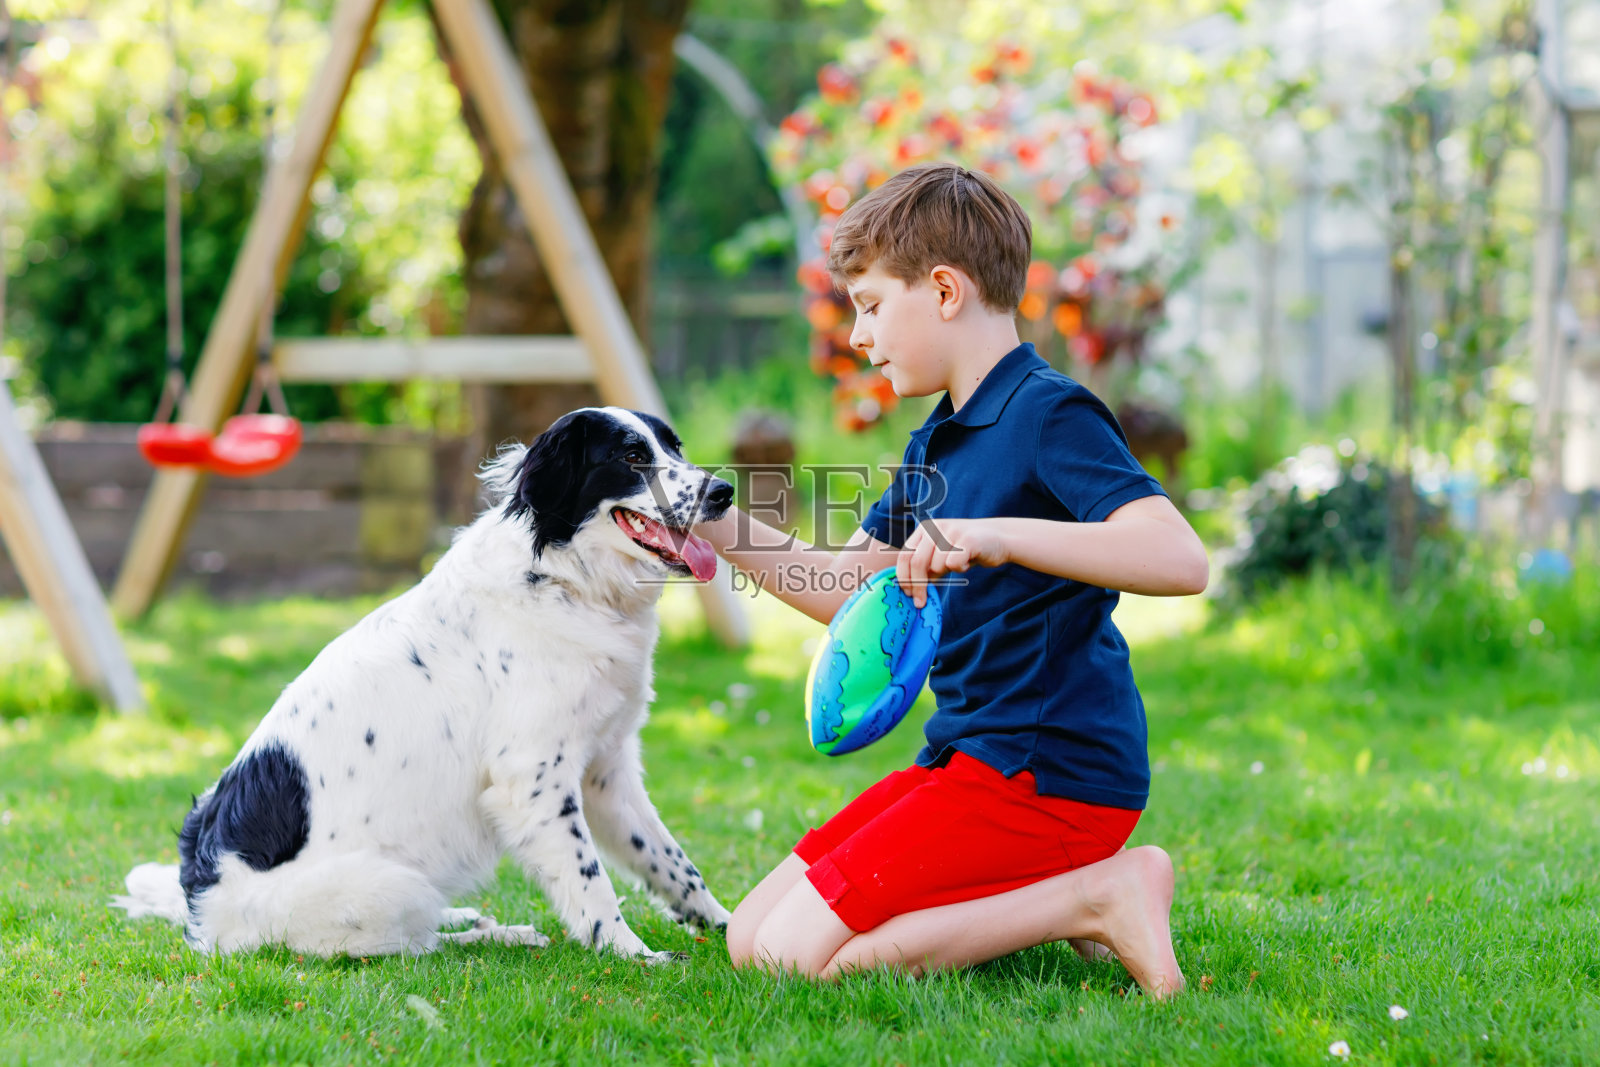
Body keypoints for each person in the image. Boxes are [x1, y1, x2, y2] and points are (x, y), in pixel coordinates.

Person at [695, 162, 1207, 998]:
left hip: (1051, 775)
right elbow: (843, 591)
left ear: (942, 290)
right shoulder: (936, 441)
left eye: (869, 306)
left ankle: (1099, 893)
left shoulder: (1050, 413)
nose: (860, 338)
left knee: (796, 959)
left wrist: (999, 534)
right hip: (970, 763)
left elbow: (1179, 559)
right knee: (753, 938)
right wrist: (701, 514)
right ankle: (1064, 894)